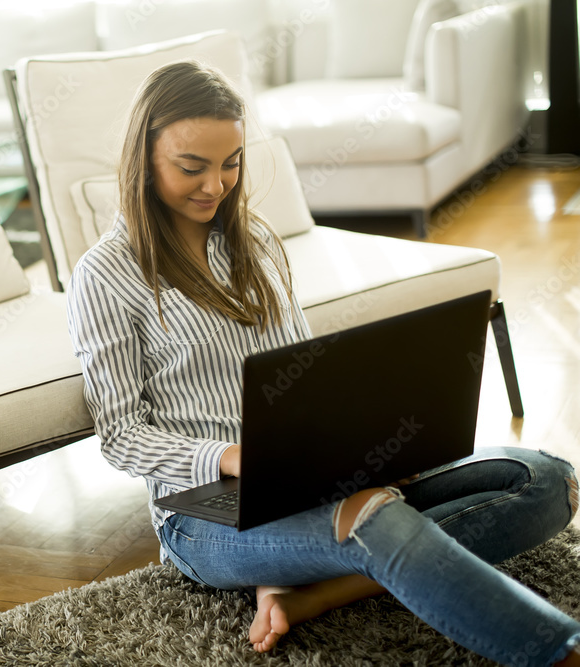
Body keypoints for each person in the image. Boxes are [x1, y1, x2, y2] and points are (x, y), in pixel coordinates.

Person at [65, 59, 580, 666]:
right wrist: (230, 456)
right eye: (191, 167)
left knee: (545, 479)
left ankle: (318, 592)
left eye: (231, 163)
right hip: (202, 517)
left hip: (315, 478)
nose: (215, 185)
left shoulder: (253, 242)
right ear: (143, 159)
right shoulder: (104, 275)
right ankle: (558, 653)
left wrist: (377, 446)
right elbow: (121, 437)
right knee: (373, 517)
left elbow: (307, 372)